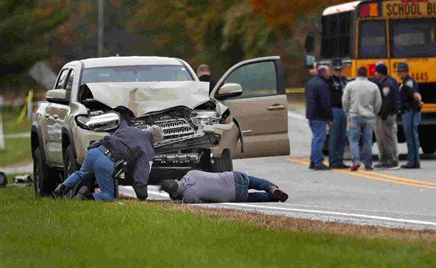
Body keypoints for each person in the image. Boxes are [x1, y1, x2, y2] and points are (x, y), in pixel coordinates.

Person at [53, 116, 163, 201]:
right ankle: (85, 196)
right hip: (106, 161)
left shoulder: (130, 129)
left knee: (81, 173)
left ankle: (60, 189)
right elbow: (142, 172)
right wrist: (142, 194)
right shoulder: (148, 148)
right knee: (109, 197)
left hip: (94, 151)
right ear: (156, 140)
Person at [159, 170, 289, 203]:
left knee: (252, 197)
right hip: (233, 178)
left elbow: (206, 202)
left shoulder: (189, 197)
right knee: (253, 181)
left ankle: (271, 197)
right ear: (176, 180)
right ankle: (271, 188)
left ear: (175, 194)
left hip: (233, 195)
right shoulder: (191, 173)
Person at [342, 67, 382, 171]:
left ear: (357, 74)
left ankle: (356, 161)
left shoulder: (350, 85)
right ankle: (368, 164)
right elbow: (378, 102)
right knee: (367, 141)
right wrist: (374, 112)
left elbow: (345, 100)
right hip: (368, 116)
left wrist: (347, 110)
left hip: (354, 115)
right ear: (367, 74)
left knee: (354, 140)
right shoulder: (373, 86)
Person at [305, 65, 333, 170]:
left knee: (315, 138)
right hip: (319, 115)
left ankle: (313, 160)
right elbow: (325, 102)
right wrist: (330, 117)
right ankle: (318, 162)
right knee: (319, 139)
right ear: (324, 73)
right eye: (328, 72)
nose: (329, 74)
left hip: (311, 115)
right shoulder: (322, 85)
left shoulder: (310, 83)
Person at [373, 63, 400, 169]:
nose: (375, 74)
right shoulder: (386, 81)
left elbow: (387, 101)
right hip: (383, 115)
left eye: (376, 72)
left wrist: (383, 114)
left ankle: (392, 159)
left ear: (380, 73)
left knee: (388, 138)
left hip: (386, 115)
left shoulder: (387, 84)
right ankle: (384, 159)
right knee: (381, 138)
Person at [396, 62, 423, 169]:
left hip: (410, 112)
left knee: (411, 136)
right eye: (398, 71)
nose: (398, 73)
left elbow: (415, 93)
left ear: (405, 72)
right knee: (411, 136)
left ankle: (413, 161)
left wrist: (419, 100)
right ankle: (414, 161)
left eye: (400, 71)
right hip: (407, 112)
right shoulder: (405, 82)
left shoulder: (408, 82)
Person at [328, 58, 349, 169]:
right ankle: (333, 160)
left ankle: (340, 160)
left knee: (342, 136)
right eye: (336, 69)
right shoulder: (330, 81)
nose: (338, 71)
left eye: (340, 69)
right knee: (334, 136)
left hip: (343, 109)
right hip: (334, 109)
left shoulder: (344, 80)